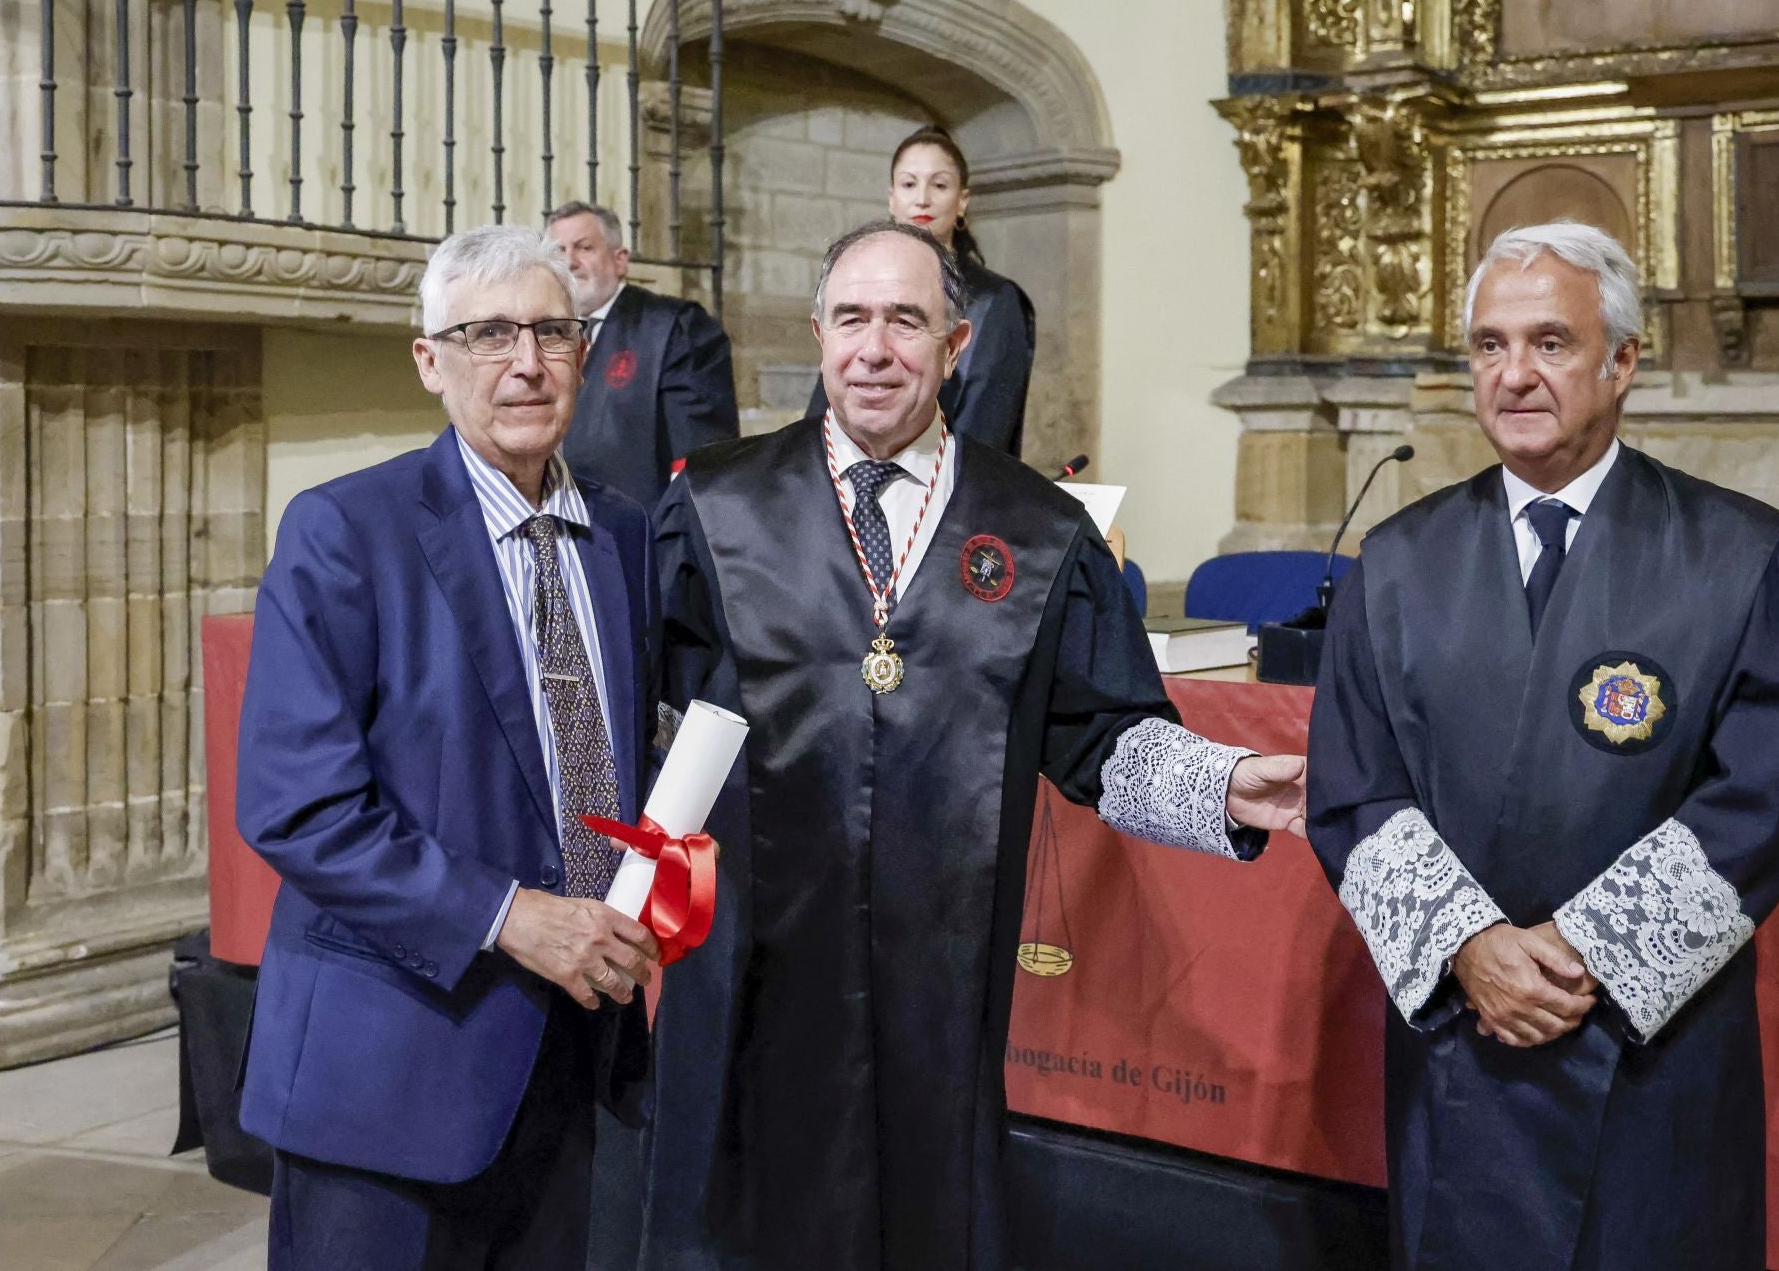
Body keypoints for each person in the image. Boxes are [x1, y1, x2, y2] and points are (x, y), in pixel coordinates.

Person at [632, 219, 1306, 1271]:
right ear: (818, 334)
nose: (873, 347)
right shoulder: (715, 507)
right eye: (851, 317)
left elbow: (1101, 736)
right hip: (748, 962)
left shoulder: (1039, 532)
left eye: (906, 320)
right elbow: (648, 723)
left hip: (940, 969)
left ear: (957, 347)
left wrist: (1218, 785)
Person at [1306, 221, 1779, 1270]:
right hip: (1466, 1042)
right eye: (1489, 346)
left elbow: (1762, 796)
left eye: (1551, 342)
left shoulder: (1742, 555)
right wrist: (1473, 948)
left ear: (1624, 360)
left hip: (1651, 1051)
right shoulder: (1398, 563)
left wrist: (1578, 956)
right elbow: (1354, 788)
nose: (1514, 375)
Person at [237, 224, 680, 1269]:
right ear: (430, 359)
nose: (524, 361)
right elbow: (299, 804)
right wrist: (513, 916)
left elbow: (618, 764)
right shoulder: (347, 529)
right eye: (487, 333)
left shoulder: (623, 535)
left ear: (583, 349)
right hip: (390, 1065)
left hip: (568, 1058)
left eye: (550, 331)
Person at [804, 125, 1036, 457]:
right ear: (892, 197)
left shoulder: (992, 301)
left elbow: (987, 427)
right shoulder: (856, 279)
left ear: (962, 201)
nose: (922, 198)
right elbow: (825, 404)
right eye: (909, 184)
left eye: (939, 185)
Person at [548, 200, 739, 507]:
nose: (569, 262)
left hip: (644, 534)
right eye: (559, 252)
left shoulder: (675, 327)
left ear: (619, 260)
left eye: (584, 248)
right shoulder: (544, 338)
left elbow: (701, 458)